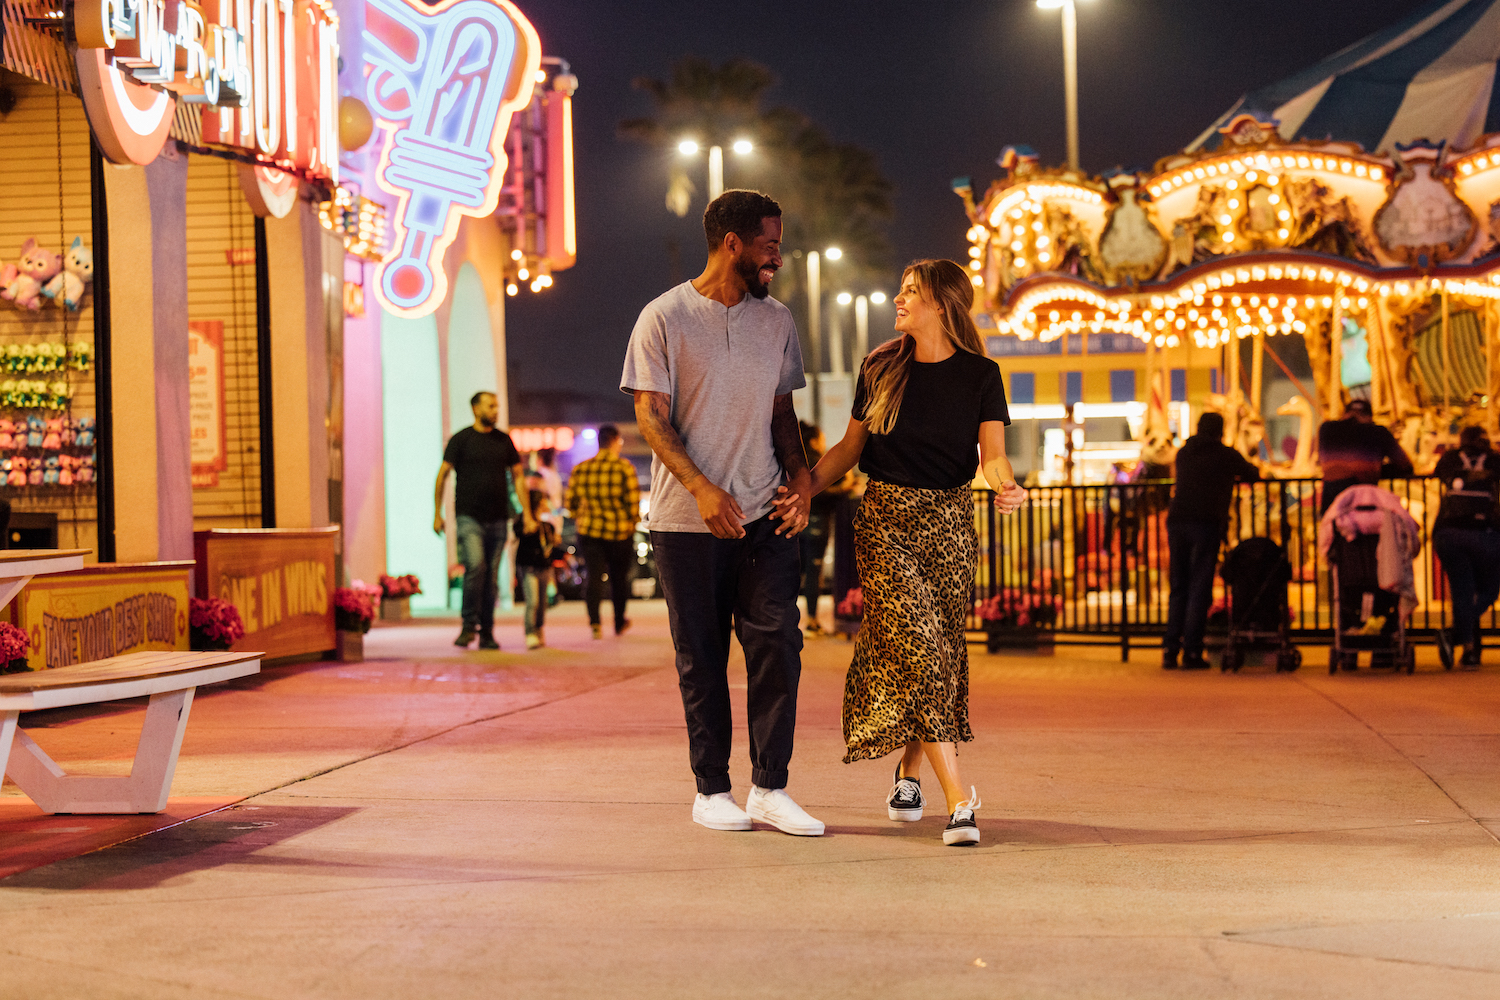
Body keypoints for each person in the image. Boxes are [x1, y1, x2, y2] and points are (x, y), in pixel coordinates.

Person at [779, 258, 1026, 847]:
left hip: (950, 522)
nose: (899, 298)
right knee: (918, 642)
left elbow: (992, 454)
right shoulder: (881, 368)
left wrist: (1006, 485)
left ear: (941, 304)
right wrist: (805, 487)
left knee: (933, 653)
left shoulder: (981, 375)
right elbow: (849, 445)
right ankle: (960, 802)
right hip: (885, 518)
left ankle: (908, 774)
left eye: (911, 291)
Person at [622, 188, 823, 838]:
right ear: (731, 243)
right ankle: (711, 789)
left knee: (777, 643)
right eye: (769, 247)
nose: (778, 260)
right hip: (687, 523)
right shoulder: (663, 318)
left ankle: (770, 787)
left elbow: (781, 410)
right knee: (702, 657)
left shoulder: (778, 322)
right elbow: (649, 417)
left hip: (765, 517)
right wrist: (703, 488)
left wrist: (802, 479)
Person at [434, 391, 532, 649]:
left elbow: (519, 477)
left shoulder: (503, 441)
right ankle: (468, 626)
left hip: (499, 519)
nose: (495, 410)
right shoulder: (461, 439)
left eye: (497, 405)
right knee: (475, 566)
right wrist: (437, 514)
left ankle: (487, 632)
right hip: (469, 517)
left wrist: (527, 513)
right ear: (476, 409)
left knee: (489, 576)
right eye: (490, 405)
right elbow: (442, 474)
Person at [1162, 412, 1259, 671]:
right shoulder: (1224, 454)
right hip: (1206, 522)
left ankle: (1170, 650)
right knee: (1199, 588)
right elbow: (1252, 473)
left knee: (1178, 585)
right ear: (1221, 430)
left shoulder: (1184, 453)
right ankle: (1192, 651)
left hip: (1178, 520)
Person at [564, 424, 641, 639]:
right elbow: (633, 504)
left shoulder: (581, 468)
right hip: (619, 533)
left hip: (589, 532)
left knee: (594, 577)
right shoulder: (625, 468)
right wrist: (631, 523)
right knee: (618, 578)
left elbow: (570, 504)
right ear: (616, 440)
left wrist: (581, 513)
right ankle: (618, 622)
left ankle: (595, 624)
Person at [1433, 425, 1500, 669]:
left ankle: (1468, 648)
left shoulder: (1450, 458)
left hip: (1449, 532)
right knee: (1490, 590)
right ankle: (1455, 636)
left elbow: (1439, 474)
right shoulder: (1494, 460)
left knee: (1462, 590)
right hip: (1484, 533)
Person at [795, 421, 853, 634]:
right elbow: (824, 492)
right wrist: (846, 487)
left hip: (796, 525)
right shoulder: (818, 462)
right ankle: (811, 621)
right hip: (817, 525)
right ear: (813, 440)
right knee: (813, 573)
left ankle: (788, 620)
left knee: (793, 572)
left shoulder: (796, 462)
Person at [1318, 398, 1413, 513]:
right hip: (1363, 504)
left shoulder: (1326, 429)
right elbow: (1405, 465)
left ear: (1345, 414)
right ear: (1369, 417)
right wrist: (1376, 469)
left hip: (1332, 505)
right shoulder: (1378, 433)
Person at [515, 488, 563, 650]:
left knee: (542, 603)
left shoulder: (547, 525)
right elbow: (518, 532)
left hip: (544, 567)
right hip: (529, 567)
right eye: (542, 500)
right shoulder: (524, 521)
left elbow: (551, 547)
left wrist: (556, 542)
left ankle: (538, 629)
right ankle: (530, 633)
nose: (545, 503)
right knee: (533, 601)